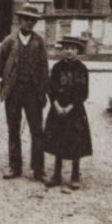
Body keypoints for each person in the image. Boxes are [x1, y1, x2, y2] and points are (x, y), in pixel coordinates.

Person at [0, 3, 49, 181]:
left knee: (37, 130)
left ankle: (38, 169)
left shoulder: (39, 42)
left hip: (33, 92)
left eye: (33, 21)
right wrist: (9, 78)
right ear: (19, 21)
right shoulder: (9, 41)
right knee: (13, 129)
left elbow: (44, 68)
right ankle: (14, 166)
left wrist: (42, 92)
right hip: (14, 92)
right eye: (26, 20)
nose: (29, 23)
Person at [43, 35, 93, 189]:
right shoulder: (57, 67)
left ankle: (74, 175)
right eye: (66, 48)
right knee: (58, 139)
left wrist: (71, 106)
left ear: (77, 50)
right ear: (62, 50)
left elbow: (83, 92)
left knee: (75, 141)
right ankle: (57, 175)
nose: (69, 52)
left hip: (75, 110)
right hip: (58, 109)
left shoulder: (82, 69)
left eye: (72, 48)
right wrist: (56, 105)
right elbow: (51, 88)